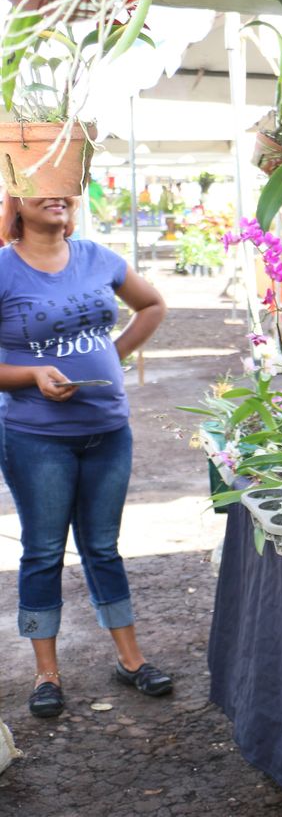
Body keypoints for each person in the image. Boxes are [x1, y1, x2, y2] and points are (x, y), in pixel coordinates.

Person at [0, 194, 172, 718]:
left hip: (107, 430)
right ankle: (46, 674)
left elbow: (154, 305)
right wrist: (31, 375)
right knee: (44, 551)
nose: (57, 197)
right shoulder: (3, 269)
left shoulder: (99, 257)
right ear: (15, 203)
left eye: (64, 190)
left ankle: (131, 660)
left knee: (102, 547)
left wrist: (113, 356)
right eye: (42, 190)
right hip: (35, 437)